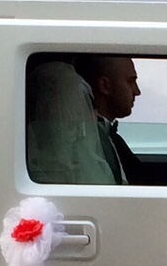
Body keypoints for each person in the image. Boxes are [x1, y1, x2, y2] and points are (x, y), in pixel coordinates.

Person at [27, 54, 140, 185]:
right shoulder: (82, 144)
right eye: (130, 81)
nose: (137, 91)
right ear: (104, 85)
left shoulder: (113, 139)